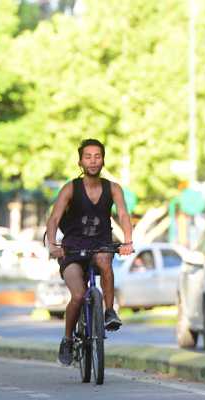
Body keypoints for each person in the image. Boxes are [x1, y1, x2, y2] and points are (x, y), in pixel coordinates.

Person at [44, 139, 133, 367]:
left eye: (97, 156)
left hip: (100, 243)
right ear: (80, 161)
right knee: (77, 295)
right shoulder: (70, 188)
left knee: (105, 261)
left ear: (103, 159)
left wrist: (128, 241)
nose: (93, 161)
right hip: (72, 248)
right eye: (88, 157)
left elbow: (123, 215)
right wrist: (53, 244)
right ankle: (67, 339)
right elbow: (54, 218)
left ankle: (110, 311)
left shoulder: (112, 188)